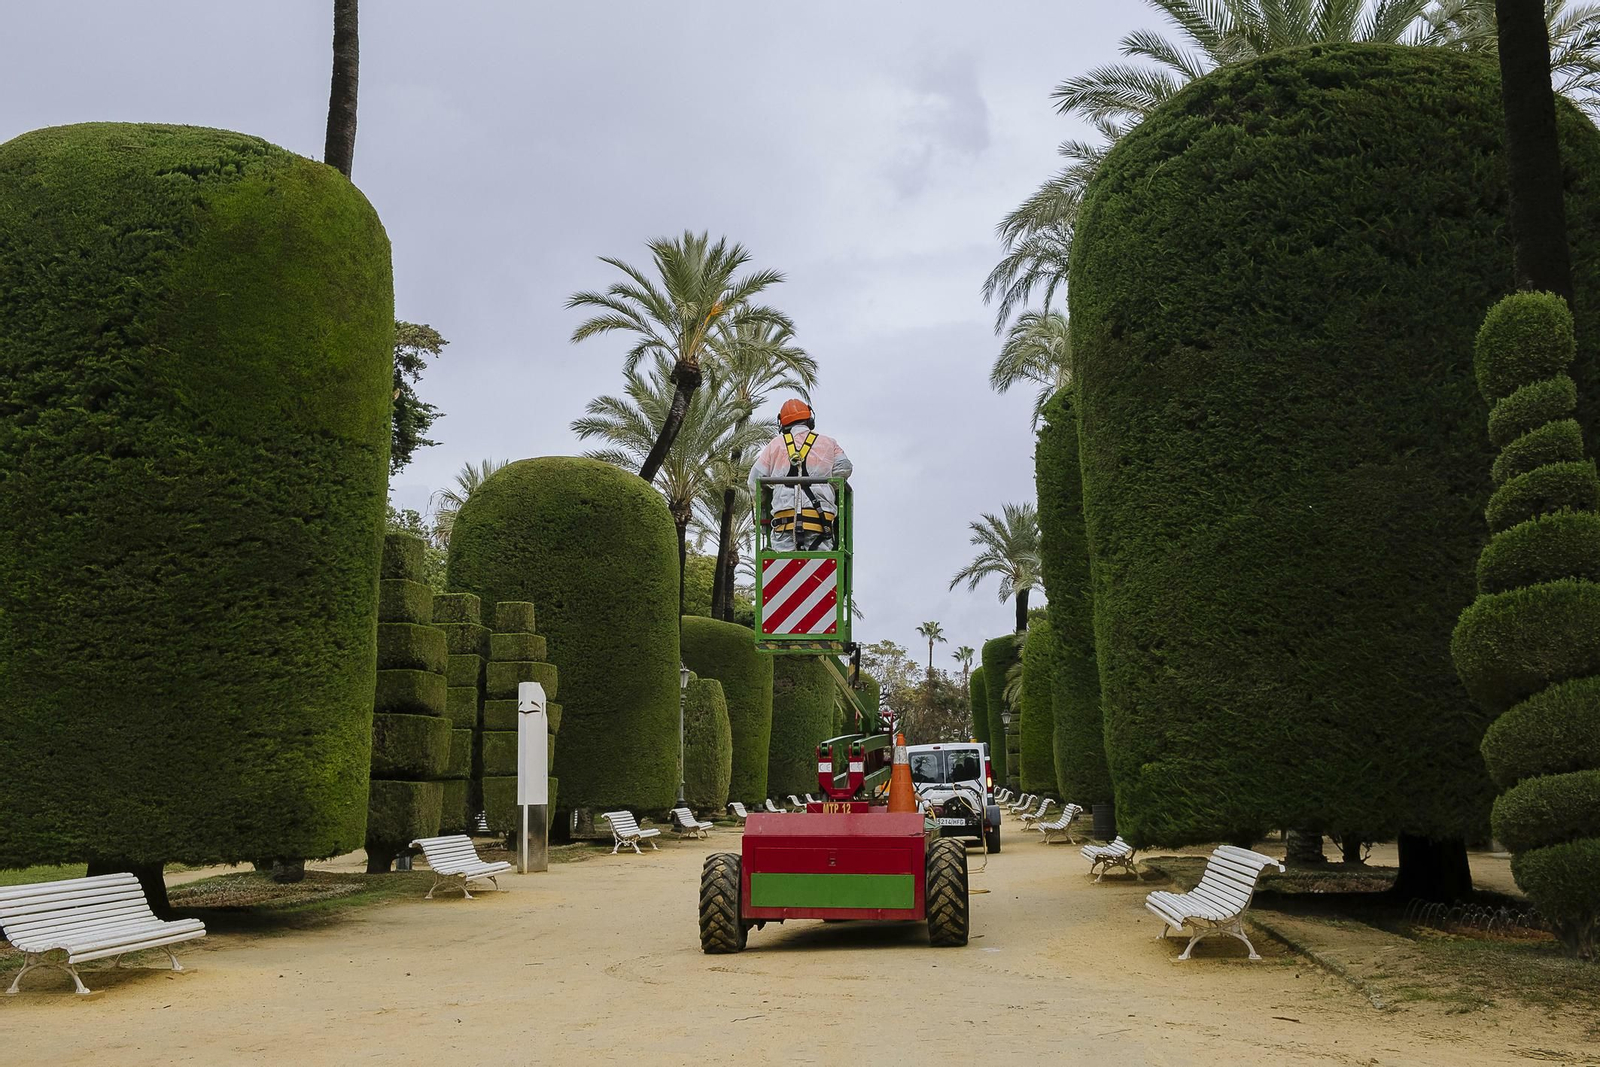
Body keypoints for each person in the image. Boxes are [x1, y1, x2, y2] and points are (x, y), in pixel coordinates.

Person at [748, 398, 852, 551]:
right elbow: (844, 468)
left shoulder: (775, 445)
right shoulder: (828, 443)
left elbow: (754, 481)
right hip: (820, 525)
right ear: (810, 419)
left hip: (783, 527)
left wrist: (764, 500)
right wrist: (828, 485)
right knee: (821, 571)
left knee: (782, 570)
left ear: (782, 424)